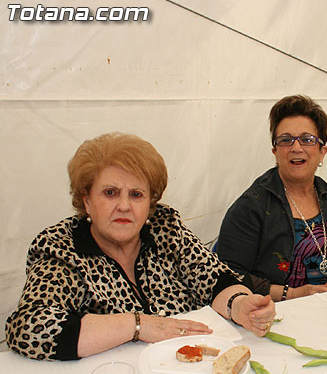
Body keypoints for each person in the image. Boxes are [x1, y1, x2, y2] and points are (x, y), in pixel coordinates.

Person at [5, 133, 275, 361]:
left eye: (136, 195)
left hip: (190, 371)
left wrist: (239, 304)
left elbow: (214, 277)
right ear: (86, 200)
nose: (124, 206)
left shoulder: (165, 228)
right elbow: (30, 328)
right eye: (110, 193)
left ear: (150, 203)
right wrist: (138, 324)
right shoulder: (62, 247)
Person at [217, 95, 327, 301]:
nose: (296, 147)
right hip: (273, 315)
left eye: (307, 139)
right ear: (275, 152)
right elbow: (228, 275)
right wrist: (294, 294)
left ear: (322, 152)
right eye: (286, 140)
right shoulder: (251, 207)